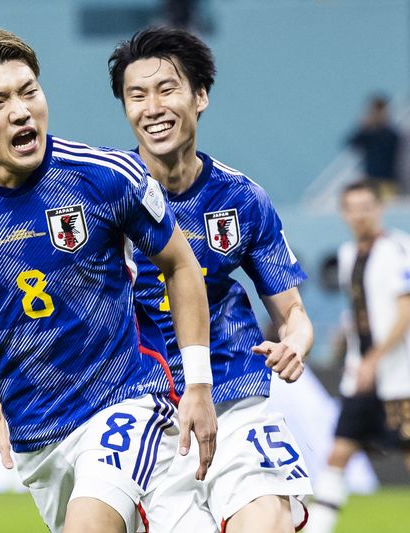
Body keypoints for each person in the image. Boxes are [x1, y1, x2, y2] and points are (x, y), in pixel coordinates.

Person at [0, 27, 216, 533]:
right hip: (35, 434)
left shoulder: (106, 176)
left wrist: (199, 383)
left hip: (125, 400)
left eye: (29, 92)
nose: (21, 111)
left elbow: (181, 264)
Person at [107, 27, 314, 533]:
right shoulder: (104, 197)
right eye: (137, 95)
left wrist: (296, 342)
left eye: (167, 89)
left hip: (234, 391)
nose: (152, 108)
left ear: (200, 97)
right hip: (143, 406)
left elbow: (292, 312)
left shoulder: (241, 199)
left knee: (266, 520)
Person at [306, 181, 410, 533]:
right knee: (338, 452)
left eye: (367, 206)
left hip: (399, 377)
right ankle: (318, 528)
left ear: (379, 208)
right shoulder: (348, 254)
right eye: (352, 208)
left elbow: (405, 312)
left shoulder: (398, 249)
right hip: (360, 376)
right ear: (344, 213)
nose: (360, 215)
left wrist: (374, 360)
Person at [346, 95, 402, 199]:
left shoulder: (391, 134)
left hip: (387, 181)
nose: (377, 114)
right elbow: (352, 143)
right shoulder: (367, 133)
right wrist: (363, 127)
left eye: (380, 111)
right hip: (370, 179)